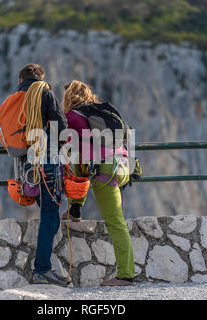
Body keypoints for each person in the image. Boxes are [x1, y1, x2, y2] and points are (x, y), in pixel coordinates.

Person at [62, 80, 135, 286]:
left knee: (116, 222)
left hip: (105, 171)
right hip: (122, 165)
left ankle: (126, 275)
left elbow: (71, 150)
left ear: (69, 97)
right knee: (80, 165)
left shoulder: (73, 116)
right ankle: (75, 209)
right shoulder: (103, 111)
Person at [15, 63, 69, 286]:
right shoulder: (45, 93)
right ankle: (42, 270)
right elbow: (61, 124)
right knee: (50, 215)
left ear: (21, 79)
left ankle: (42, 266)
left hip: (25, 165)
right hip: (46, 162)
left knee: (49, 214)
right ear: (40, 77)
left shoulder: (15, 98)